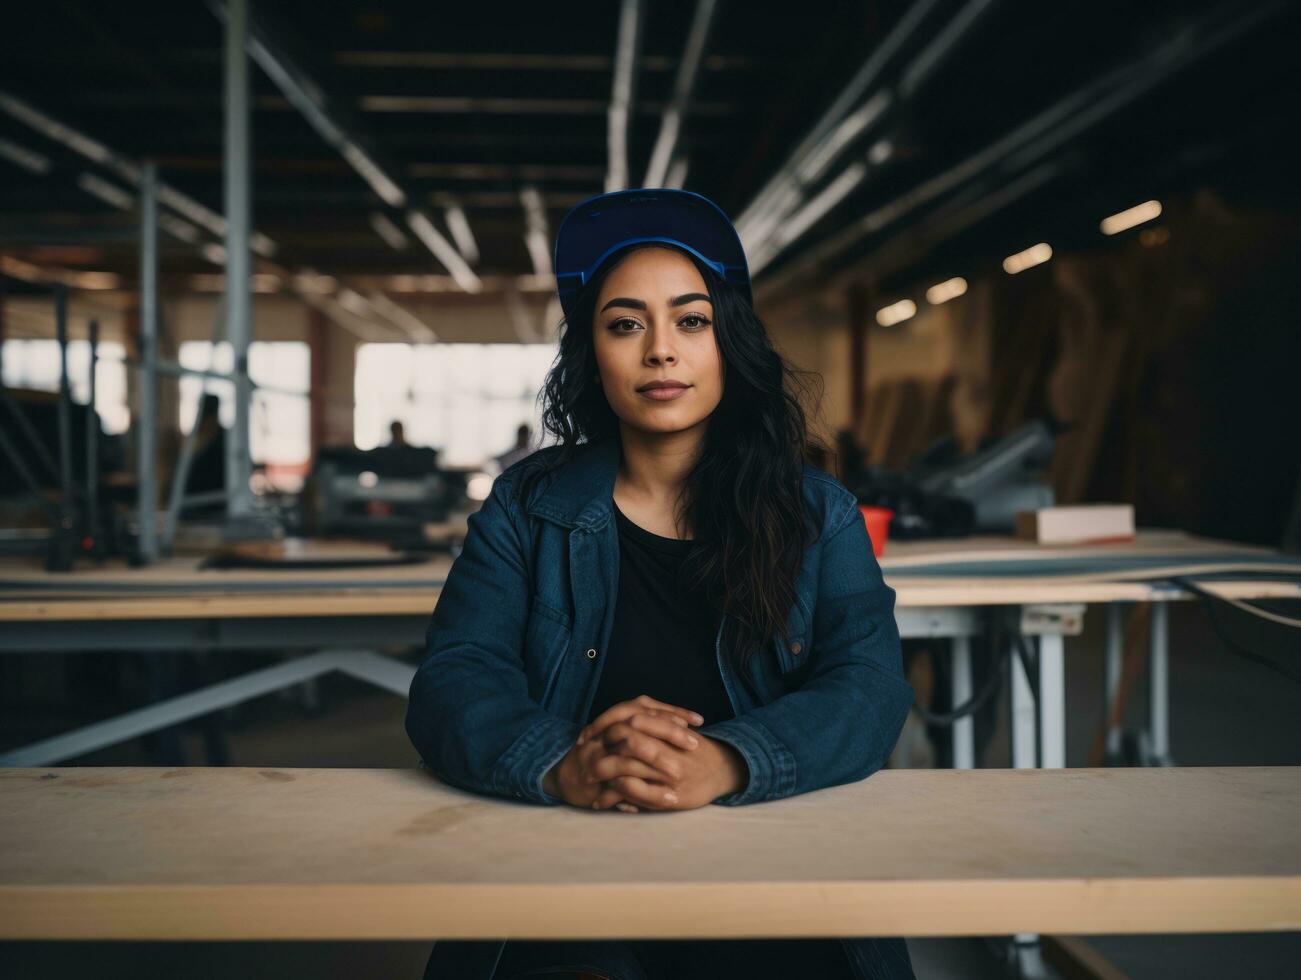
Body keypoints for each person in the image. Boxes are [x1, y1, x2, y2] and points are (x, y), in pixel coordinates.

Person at [407, 188, 915, 980]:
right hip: (568, 864)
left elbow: (870, 685)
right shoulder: (527, 505)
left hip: (771, 865)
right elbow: (454, 676)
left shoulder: (818, 513)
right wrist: (560, 760)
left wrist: (726, 759)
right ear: (592, 355)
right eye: (623, 324)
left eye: (690, 320)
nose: (659, 352)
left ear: (727, 343)